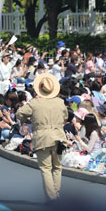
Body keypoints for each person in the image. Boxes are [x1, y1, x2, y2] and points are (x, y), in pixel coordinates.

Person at [16, 73, 68, 201]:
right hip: (59, 136)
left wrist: (28, 119)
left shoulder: (34, 103)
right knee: (57, 167)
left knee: (46, 169)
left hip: (43, 137)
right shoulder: (60, 102)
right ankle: (56, 193)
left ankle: (52, 197)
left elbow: (19, 113)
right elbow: (66, 117)